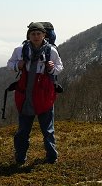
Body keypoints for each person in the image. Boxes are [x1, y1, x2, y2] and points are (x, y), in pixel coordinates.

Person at [7, 22, 63, 164]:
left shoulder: (51, 51)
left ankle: (52, 157)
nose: (36, 36)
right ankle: (20, 158)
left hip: (44, 95)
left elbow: (59, 67)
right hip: (26, 95)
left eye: (39, 33)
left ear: (44, 35)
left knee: (48, 130)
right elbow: (9, 64)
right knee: (23, 130)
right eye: (33, 34)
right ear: (29, 35)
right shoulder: (20, 50)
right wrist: (17, 65)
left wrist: (52, 68)